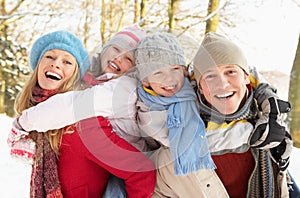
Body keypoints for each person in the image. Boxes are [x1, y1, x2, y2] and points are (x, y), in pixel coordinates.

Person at [7, 28, 156, 198]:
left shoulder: (83, 124)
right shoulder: (42, 123)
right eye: (49, 56)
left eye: (67, 62)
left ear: (76, 74)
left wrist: (22, 124)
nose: (55, 64)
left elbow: (141, 172)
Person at [152, 32, 295, 198]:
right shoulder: (173, 152)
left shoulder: (270, 135)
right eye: (210, 76)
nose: (222, 84)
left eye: (230, 72)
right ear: (200, 89)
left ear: (247, 78)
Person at [135, 32, 216, 176]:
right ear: (145, 81)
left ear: (184, 70)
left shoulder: (195, 87)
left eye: (175, 69)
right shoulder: (147, 109)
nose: (169, 78)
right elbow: (168, 140)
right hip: (170, 173)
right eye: (158, 73)